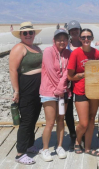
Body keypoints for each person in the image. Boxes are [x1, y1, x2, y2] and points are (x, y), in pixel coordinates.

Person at [10, 21, 42, 165]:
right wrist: (16, 90)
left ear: (34, 34)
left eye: (31, 32)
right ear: (21, 35)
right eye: (25, 33)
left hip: (38, 90)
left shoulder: (36, 47)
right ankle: (20, 153)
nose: (28, 35)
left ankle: (29, 145)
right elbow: (13, 70)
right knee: (26, 120)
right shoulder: (19, 47)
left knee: (34, 118)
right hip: (26, 88)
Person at [67, 28, 99, 156]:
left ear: (92, 38)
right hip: (80, 90)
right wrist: (83, 75)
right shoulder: (75, 54)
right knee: (84, 122)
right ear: (80, 39)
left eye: (88, 37)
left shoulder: (97, 53)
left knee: (92, 119)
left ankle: (87, 148)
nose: (86, 39)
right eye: (83, 37)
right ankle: (77, 141)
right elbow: (70, 76)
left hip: (94, 90)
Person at [39, 29, 71, 161]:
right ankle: (45, 149)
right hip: (49, 92)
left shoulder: (69, 53)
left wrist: (61, 88)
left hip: (63, 92)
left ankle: (59, 146)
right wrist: (59, 88)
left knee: (60, 120)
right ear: (54, 40)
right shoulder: (48, 51)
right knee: (50, 122)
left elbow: (67, 71)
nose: (62, 41)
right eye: (59, 39)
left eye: (64, 39)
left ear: (67, 40)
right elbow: (51, 70)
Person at [65, 20, 82, 148]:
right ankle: (72, 134)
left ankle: (83, 134)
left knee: (83, 109)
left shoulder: (85, 43)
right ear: (69, 32)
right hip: (68, 82)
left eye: (76, 29)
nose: (74, 31)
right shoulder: (66, 46)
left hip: (82, 82)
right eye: (72, 30)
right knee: (68, 110)